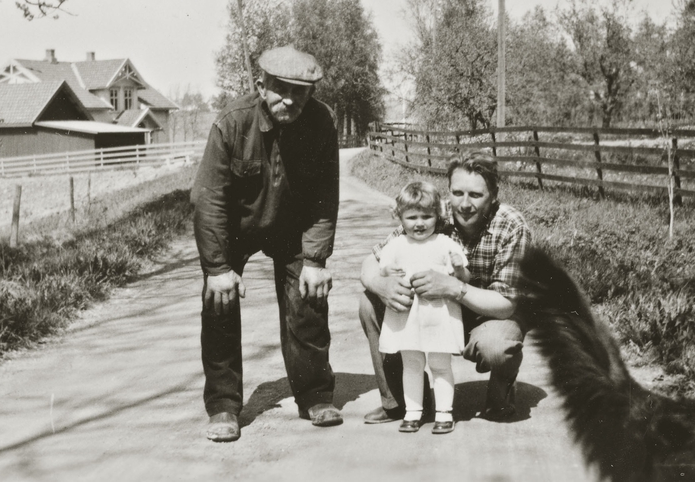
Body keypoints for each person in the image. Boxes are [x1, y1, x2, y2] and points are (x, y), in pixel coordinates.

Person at [192, 46, 341, 443]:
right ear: (261, 85)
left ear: (311, 93)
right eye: (280, 89)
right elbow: (208, 199)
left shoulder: (322, 122)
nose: (289, 100)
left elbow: (325, 194)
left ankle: (314, 394)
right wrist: (218, 269)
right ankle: (223, 404)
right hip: (236, 227)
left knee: (309, 300)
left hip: (292, 225)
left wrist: (316, 258)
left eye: (300, 92)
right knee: (218, 300)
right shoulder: (232, 123)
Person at [359, 150, 531, 425]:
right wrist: (382, 284)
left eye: (476, 195)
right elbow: (370, 263)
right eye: (457, 193)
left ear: (494, 195)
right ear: (448, 191)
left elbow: (506, 303)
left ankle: (501, 394)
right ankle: (400, 403)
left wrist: (454, 287)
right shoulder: (432, 214)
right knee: (369, 303)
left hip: (489, 315)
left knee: (497, 347)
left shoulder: (511, 225)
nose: (464, 204)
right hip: (436, 313)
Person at [376, 181, 470, 434]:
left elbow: (463, 277)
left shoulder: (444, 243)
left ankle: (444, 413)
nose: (419, 223)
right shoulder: (397, 244)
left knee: (440, 365)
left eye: (426, 216)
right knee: (412, 365)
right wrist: (387, 271)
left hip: (438, 315)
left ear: (437, 216)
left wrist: (459, 267)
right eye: (412, 217)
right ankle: (413, 412)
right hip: (407, 317)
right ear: (400, 217)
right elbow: (383, 267)